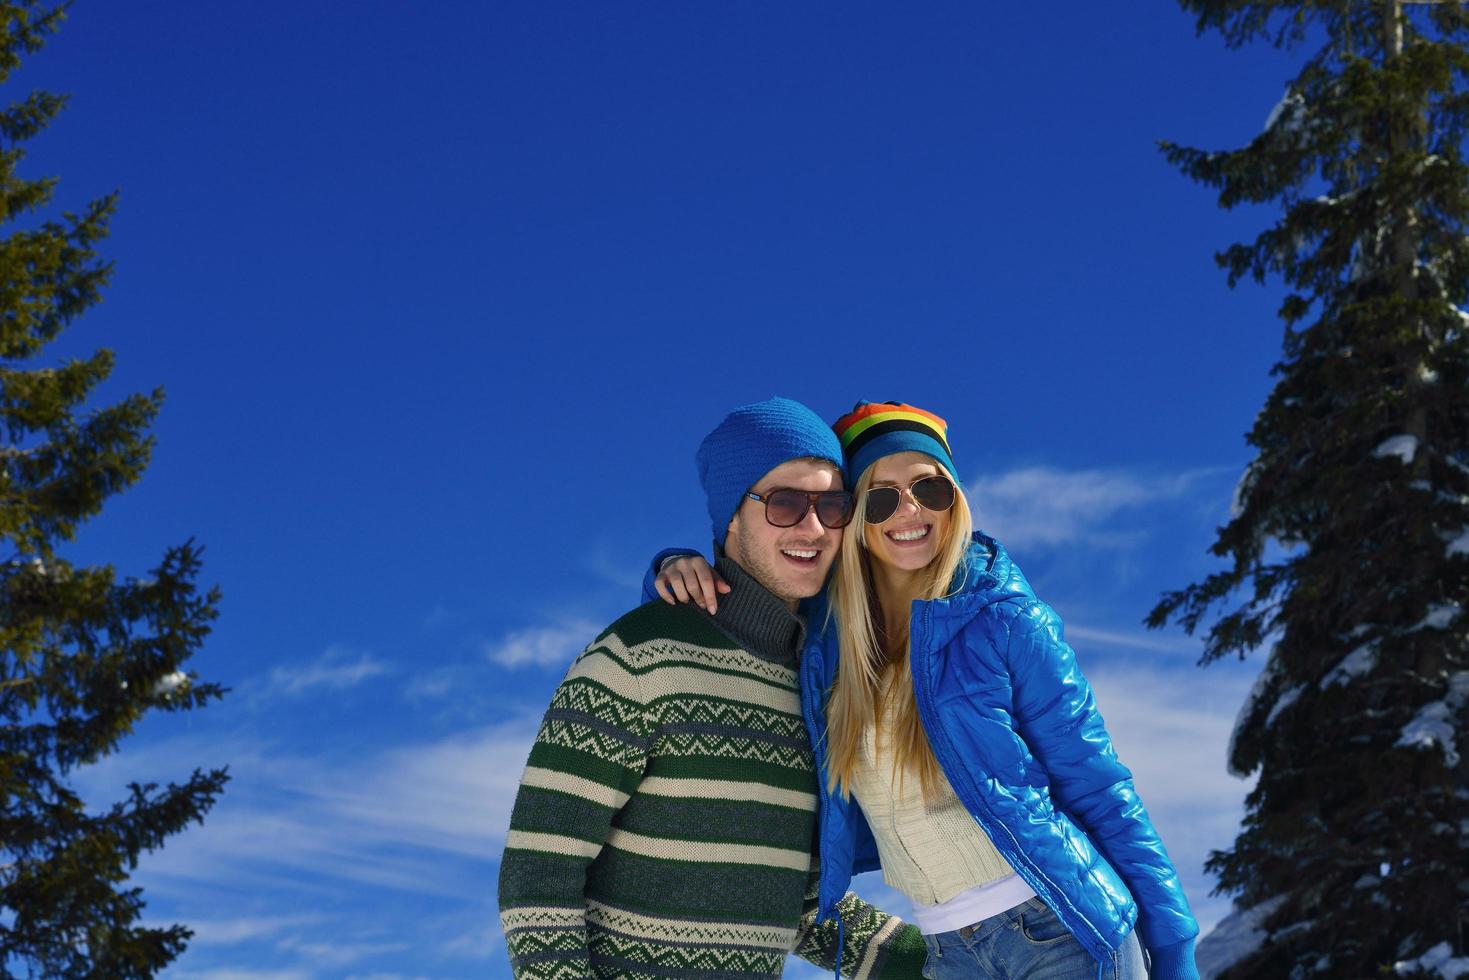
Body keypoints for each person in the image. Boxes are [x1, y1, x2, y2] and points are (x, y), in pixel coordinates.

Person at [647, 401, 1200, 980]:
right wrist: (673, 567)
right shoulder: (826, 638)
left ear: (954, 499)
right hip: (945, 952)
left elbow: (1102, 791)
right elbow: (732, 612)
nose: (909, 511)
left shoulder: (1004, 619)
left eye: (929, 489)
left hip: (1061, 930)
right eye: (882, 497)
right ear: (854, 516)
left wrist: (1176, 950)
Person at [498, 396, 927, 980]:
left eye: (832, 504)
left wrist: (960, 956)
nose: (813, 526)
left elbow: (792, 904)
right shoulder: (640, 658)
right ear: (730, 516)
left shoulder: (811, 685)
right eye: (783, 503)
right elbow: (538, 871)